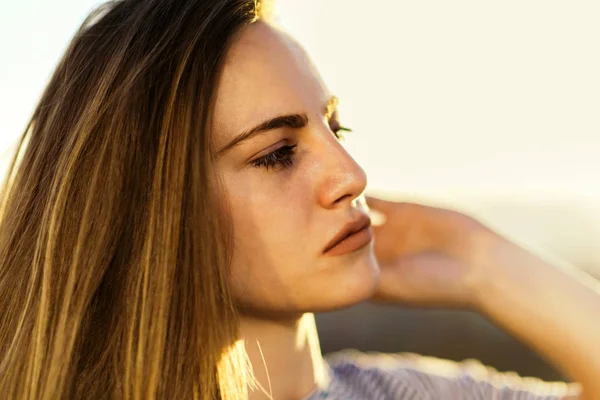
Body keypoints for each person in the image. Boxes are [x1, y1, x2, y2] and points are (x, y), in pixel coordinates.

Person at [0, 0, 596, 399]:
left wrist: (483, 262)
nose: (352, 174)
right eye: (277, 153)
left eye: (337, 129)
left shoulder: (417, 392)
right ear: (150, 210)